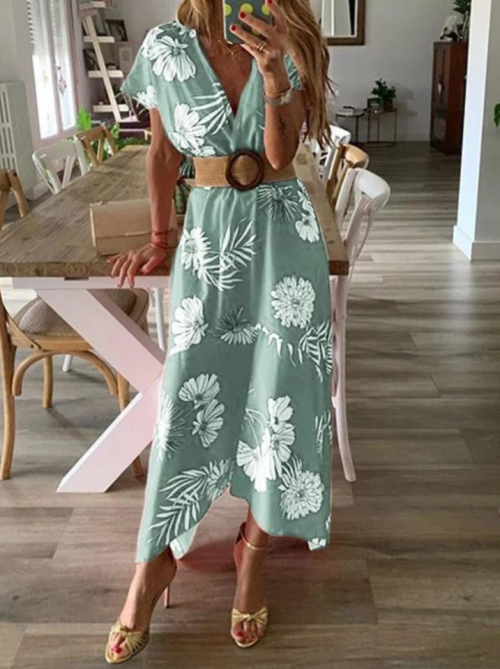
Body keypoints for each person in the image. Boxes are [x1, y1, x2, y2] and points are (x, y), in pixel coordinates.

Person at [106, 0, 333, 662]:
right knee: (186, 402)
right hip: (209, 249)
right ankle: (152, 562)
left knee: (281, 400)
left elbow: (281, 153)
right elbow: (160, 152)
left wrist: (274, 72)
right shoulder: (165, 48)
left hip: (285, 248)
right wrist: (158, 238)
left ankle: (252, 553)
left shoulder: (292, 35)